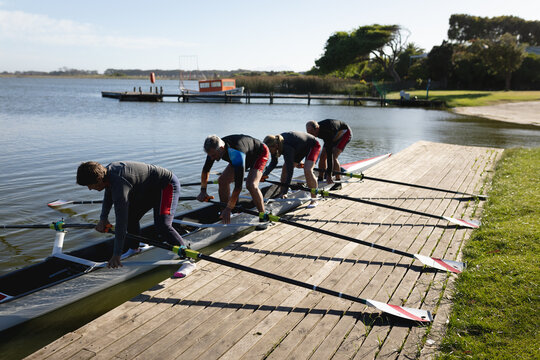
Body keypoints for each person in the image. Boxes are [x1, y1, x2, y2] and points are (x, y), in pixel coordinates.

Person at [76, 161, 195, 278]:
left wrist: (116, 254)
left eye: (89, 185)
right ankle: (134, 249)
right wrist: (103, 218)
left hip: (167, 185)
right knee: (130, 219)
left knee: (162, 225)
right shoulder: (106, 175)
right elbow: (108, 194)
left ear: (98, 180)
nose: (89, 189)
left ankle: (189, 260)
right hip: (148, 189)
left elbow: (121, 221)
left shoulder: (119, 181)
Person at [197, 134, 269, 226]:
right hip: (244, 153)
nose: (212, 158)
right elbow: (205, 171)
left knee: (251, 185)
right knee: (222, 181)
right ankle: (224, 213)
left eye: (213, 155)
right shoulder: (213, 150)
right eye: (210, 155)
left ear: (222, 148)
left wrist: (229, 207)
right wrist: (203, 190)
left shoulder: (236, 153)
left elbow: (238, 186)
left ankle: (263, 215)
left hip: (259, 153)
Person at [262, 131, 321, 208]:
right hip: (299, 147)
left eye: (269, 149)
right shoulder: (274, 143)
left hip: (313, 145)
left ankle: (314, 199)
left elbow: (290, 173)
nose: (268, 152)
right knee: (284, 169)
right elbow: (274, 162)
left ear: (276, 146)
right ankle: (281, 194)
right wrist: (264, 174)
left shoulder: (286, 147)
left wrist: (285, 191)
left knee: (307, 170)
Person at [306, 119, 352, 190]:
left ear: (317, 128)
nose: (311, 136)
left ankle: (338, 182)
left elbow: (329, 155)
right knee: (323, 156)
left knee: (334, 156)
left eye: (312, 133)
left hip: (344, 133)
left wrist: (329, 174)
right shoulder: (315, 129)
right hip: (332, 135)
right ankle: (320, 178)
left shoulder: (327, 131)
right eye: (309, 133)